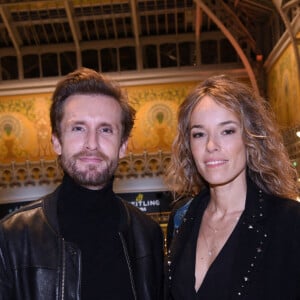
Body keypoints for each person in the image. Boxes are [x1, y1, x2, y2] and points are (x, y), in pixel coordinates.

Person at [0, 67, 164, 300]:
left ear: (123, 146)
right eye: (78, 128)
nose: (92, 144)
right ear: (56, 141)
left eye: (105, 130)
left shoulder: (148, 235)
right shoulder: (12, 237)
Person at [164, 75, 300, 300]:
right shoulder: (181, 218)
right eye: (199, 134)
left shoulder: (289, 221)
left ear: (250, 138)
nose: (211, 146)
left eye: (227, 131)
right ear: (189, 146)